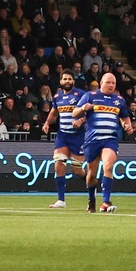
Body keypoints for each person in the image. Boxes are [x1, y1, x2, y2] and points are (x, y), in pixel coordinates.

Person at [83, 72, 133, 213]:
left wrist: (127, 125)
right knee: (91, 173)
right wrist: (82, 109)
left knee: (108, 165)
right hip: (92, 140)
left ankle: (105, 202)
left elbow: (125, 118)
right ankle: (91, 199)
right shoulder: (90, 96)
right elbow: (75, 113)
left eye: (113, 83)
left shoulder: (119, 100)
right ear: (101, 83)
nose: (111, 85)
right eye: (108, 82)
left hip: (110, 139)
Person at [43, 71, 90, 208]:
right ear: (61, 81)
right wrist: (47, 123)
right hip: (63, 136)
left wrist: (81, 120)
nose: (67, 81)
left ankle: (92, 182)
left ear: (73, 81)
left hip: (78, 136)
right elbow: (54, 112)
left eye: (70, 79)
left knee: (76, 170)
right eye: (65, 79)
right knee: (59, 164)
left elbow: (90, 112)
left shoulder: (81, 95)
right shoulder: (57, 96)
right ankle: (61, 200)